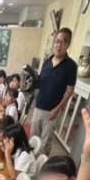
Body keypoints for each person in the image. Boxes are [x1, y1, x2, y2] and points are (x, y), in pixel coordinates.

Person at [31, 27, 77, 155]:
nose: (58, 45)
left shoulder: (71, 66)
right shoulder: (46, 62)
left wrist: (58, 109)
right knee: (33, 139)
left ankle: (43, 165)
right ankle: (31, 163)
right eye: (57, 41)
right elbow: (40, 83)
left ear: (68, 45)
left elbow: (70, 90)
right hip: (38, 107)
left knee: (45, 144)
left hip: (52, 111)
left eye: (63, 42)